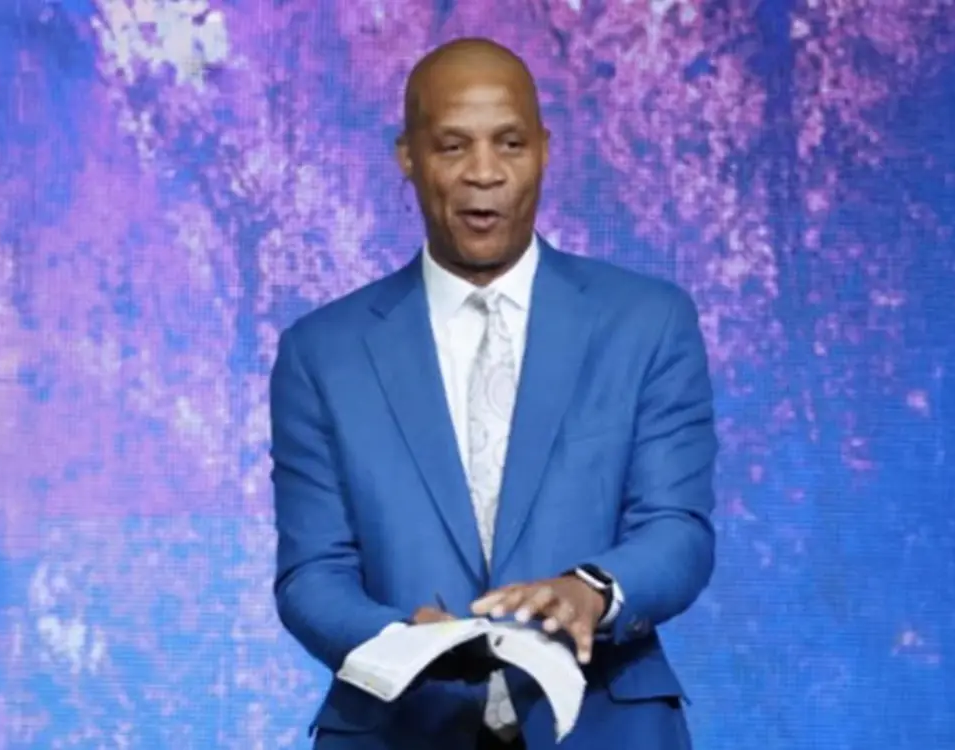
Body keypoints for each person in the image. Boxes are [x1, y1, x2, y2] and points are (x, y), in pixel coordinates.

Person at [269, 37, 718, 750]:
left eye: (510, 143)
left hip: (606, 727)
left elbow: (678, 530)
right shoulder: (321, 352)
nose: (485, 173)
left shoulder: (648, 322)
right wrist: (399, 641)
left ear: (544, 150)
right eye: (453, 146)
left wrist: (591, 589)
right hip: (398, 731)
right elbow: (310, 575)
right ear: (408, 157)